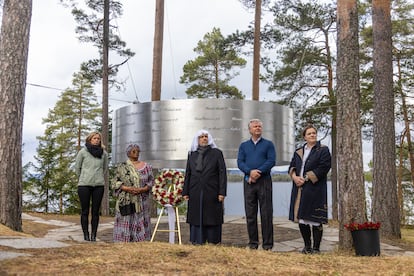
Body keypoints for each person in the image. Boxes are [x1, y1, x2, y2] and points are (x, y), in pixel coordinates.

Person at [288, 125, 331, 254]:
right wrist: (295, 177)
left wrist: (306, 178)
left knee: (315, 219)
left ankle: (316, 248)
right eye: (309, 133)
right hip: (299, 188)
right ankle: (307, 247)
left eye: (314, 133)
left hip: (315, 188)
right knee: (301, 218)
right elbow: (292, 166)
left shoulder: (323, 150)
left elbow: (324, 167)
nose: (312, 135)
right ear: (304, 137)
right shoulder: (299, 151)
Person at [183, 130, 227, 245]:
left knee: (211, 215)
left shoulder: (217, 153)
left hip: (212, 189)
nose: (204, 139)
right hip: (195, 190)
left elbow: (222, 173)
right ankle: (197, 239)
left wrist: (222, 192)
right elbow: (188, 173)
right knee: (196, 215)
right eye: (201, 137)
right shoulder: (192, 154)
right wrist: (185, 191)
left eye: (206, 136)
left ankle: (213, 240)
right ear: (197, 140)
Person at [237, 119, 276, 250]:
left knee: (266, 214)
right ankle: (253, 243)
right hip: (249, 182)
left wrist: (258, 172)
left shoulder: (268, 144)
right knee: (250, 214)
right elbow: (240, 162)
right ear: (250, 130)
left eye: (259, 126)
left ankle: (267, 245)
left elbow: (271, 161)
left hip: (264, 181)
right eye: (255, 126)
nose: (258, 128)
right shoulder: (243, 146)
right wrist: (250, 173)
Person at [111, 144, 153, 242]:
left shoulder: (147, 167)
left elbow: (151, 181)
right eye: (134, 151)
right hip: (126, 200)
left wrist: (143, 189)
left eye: (138, 151)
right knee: (126, 218)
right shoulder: (122, 167)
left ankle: (141, 239)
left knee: (141, 218)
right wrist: (126, 188)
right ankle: (124, 239)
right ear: (128, 153)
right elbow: (114, 182)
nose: (136, 153)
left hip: (142, 199)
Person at [75, 131, 108, 242]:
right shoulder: (83, 152)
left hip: (98, 185)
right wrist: (83, 178)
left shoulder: (104, 154)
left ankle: (94, 235)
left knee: (95, 212)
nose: (96, 140)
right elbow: (77, 168)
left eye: (98, 138)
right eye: (94, 138)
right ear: (90, 139)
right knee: (85, 211)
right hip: (84, 185)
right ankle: (86, 234)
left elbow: (104, 168)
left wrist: (98, 177)